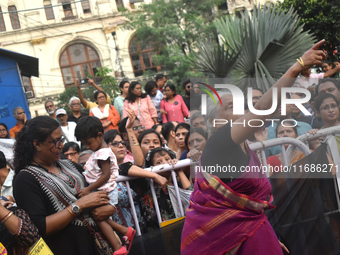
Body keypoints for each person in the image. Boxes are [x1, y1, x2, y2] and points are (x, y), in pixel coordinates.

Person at [181, 39, 326, 255]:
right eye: (230, 107)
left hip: (253, 233)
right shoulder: (219, 143)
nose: (240, 110)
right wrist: (296, 67)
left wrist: (268, 234)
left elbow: (249, 208)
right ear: (214, 122)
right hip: (226, 244)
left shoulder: (244, 144)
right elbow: (262, 110)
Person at [13, 116, 115, 255]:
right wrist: (78, 206)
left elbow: (98, 194)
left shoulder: (70, 165)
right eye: (56, 142)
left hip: (99, 245)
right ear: (37, 144)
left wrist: (109, 207)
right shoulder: (25, 179)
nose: (61, 145)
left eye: (61, 140)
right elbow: (38, 228)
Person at [75, 116, 135, 254]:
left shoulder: (103, 153)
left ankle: (118, 247)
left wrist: (88, 189)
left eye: (88, 143)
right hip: (102, 190)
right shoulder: (98, 152)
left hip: (105, 190)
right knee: (100, 218)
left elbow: (106, 175)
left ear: (100, 135)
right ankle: (125, 231)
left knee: (100, 219)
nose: (88, 147)